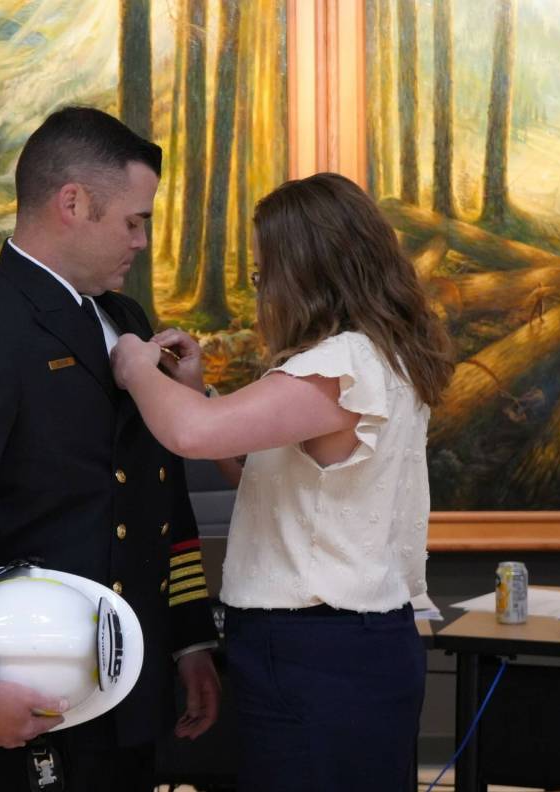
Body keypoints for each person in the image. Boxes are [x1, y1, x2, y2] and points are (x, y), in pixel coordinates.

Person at [0, 107, 220, 792]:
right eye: (133, 220)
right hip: (23, 700)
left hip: (128, 697)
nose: (142, 241)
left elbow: (157, 498)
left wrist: (190, 639)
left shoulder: (126, 321)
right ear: (73, 203)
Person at [111, 172, 454, 791]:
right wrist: (192, 391)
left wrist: (139, 370)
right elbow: (259, 475)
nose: (262, 288)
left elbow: (195, 436)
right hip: (348, 646)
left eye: (264, 271)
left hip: (315, 651)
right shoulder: (382, 354)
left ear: (306, 272)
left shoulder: (340, 366)